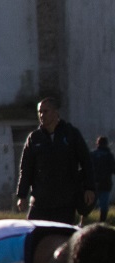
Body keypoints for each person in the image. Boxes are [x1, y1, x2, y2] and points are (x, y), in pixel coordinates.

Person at [15, 96, 95, 224]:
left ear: (56, 113)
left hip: (65, 202)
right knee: (33, 236)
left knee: (62, 238)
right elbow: (26, 169)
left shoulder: (71, 134)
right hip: (40, 201)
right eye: (39, 112)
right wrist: (22, 195)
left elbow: (86, 162)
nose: (42, 115)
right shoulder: (34, 138)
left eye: (45, 111)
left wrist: (89, 188)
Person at [90, 136, 114, 222]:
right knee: (104, 205)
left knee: (88, 204)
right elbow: (113, 169)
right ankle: (101, 222)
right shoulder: (109, 155)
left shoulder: (92, 154)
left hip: (93, 183)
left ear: (97, 143)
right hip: (105, 184)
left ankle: (82, 222)